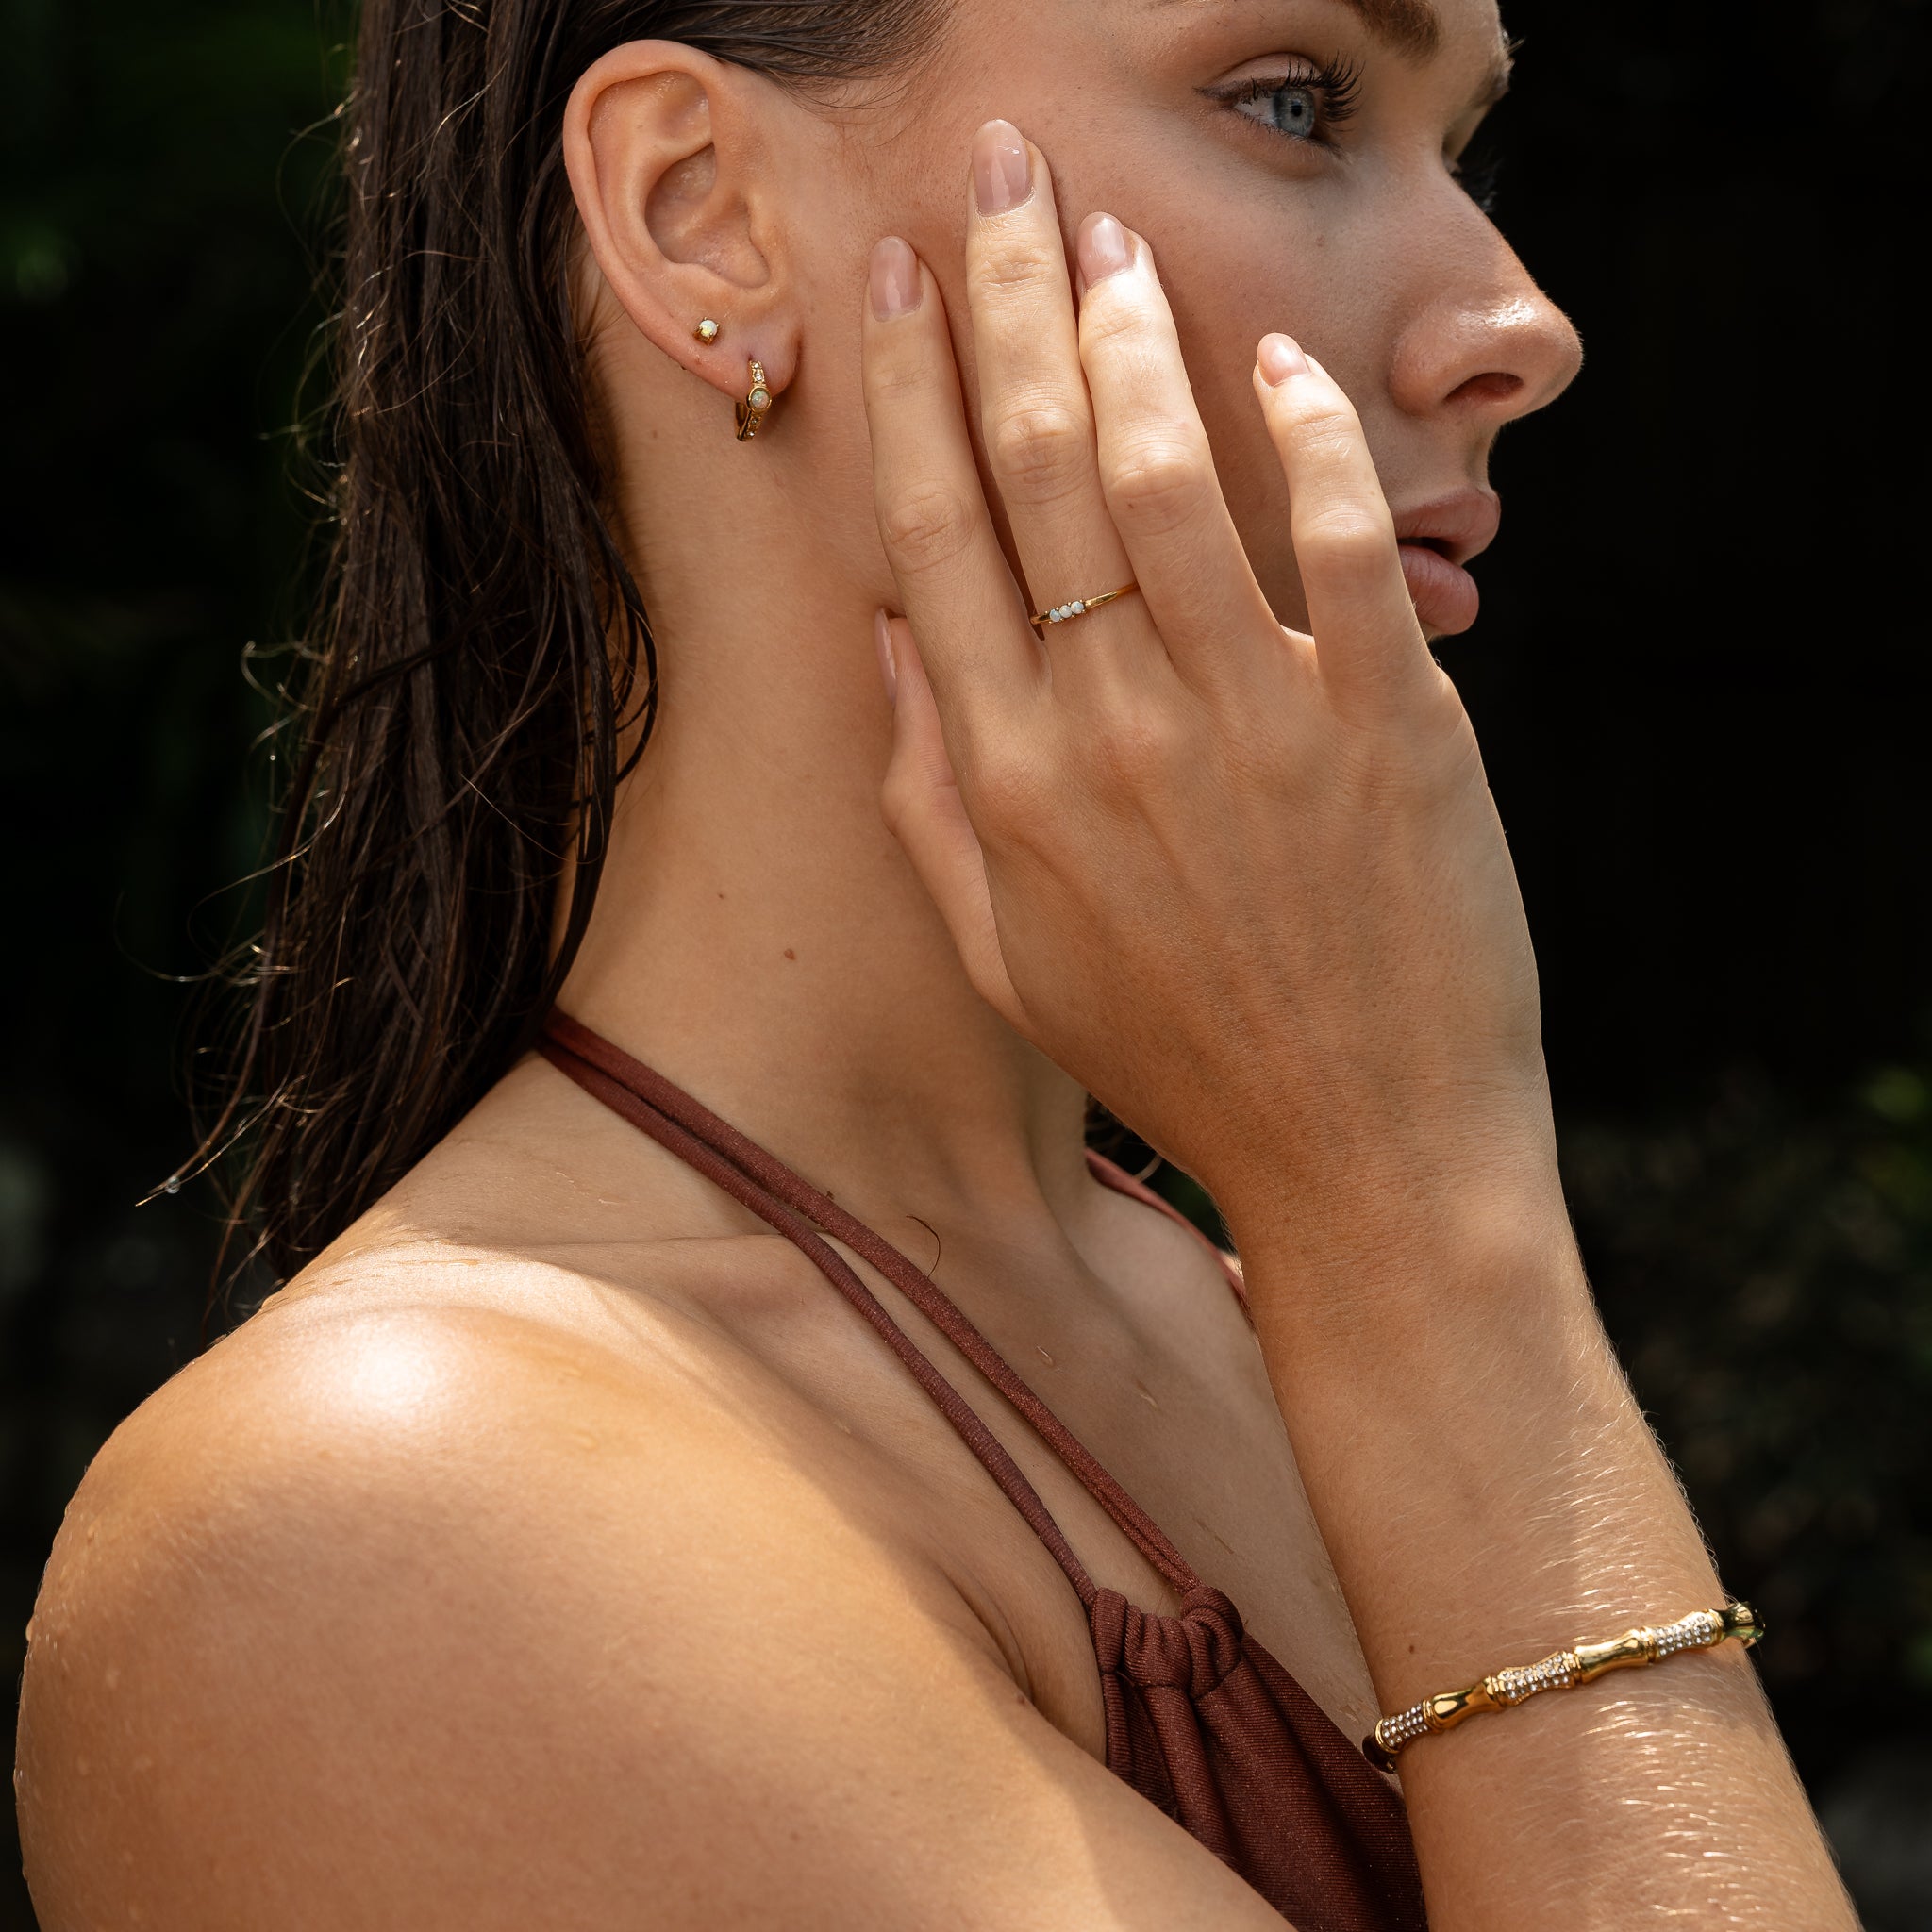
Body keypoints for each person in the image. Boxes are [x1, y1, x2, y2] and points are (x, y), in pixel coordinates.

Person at [15, 0, 1856, 1924]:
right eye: (1294, 103)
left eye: (1459, 146)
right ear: (701, 211)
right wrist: (1427, 1215)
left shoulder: (1222, 1295)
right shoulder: (371, 1532)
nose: (1519, 326)